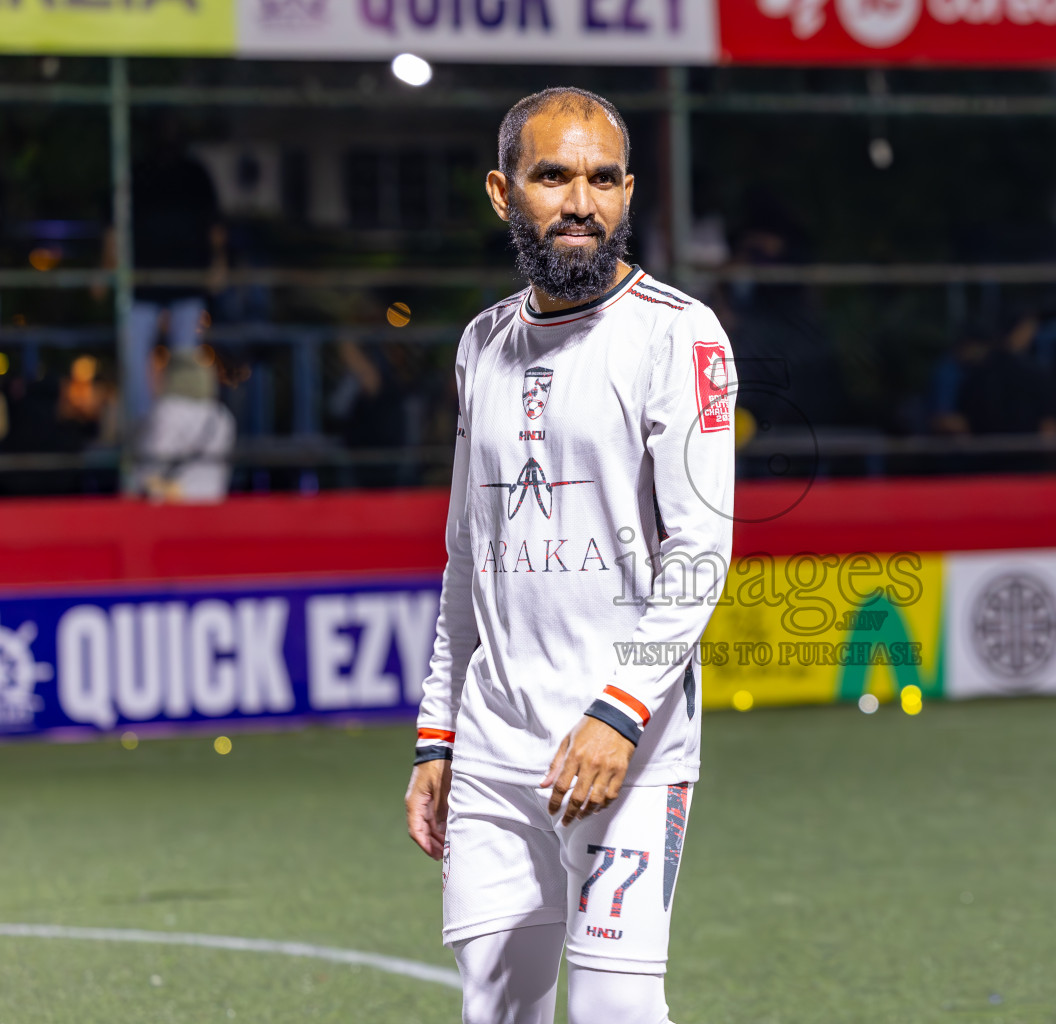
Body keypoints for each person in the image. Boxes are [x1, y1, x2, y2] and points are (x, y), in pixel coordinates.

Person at [402, 87, 736, 1024]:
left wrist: (619, 715)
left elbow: (700, 550)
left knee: (610, 1012)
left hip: (624, 747)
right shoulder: (480, 345)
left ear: (629, 192)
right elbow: (466, 556)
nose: (580, 201)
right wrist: (438, 737)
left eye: (602, 179)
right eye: (553, 176)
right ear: (505, 193)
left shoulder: (680, 333)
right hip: (495, 744)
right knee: (495, 1009)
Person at [102, 124, 227, 424]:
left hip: (187, 284)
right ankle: (143, 430)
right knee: (134, 364)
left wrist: (219, 264)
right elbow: (113, 228)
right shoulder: (137, 172)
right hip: (142, 285)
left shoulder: (195, 173)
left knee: (185, 364)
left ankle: (180, 428)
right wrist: (106, 269)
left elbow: (215, 227)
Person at [133, 349, 236, 503]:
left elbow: (151, 464)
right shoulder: (223, 416)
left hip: (172, 505)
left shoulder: (167, 410)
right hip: (211, 504)